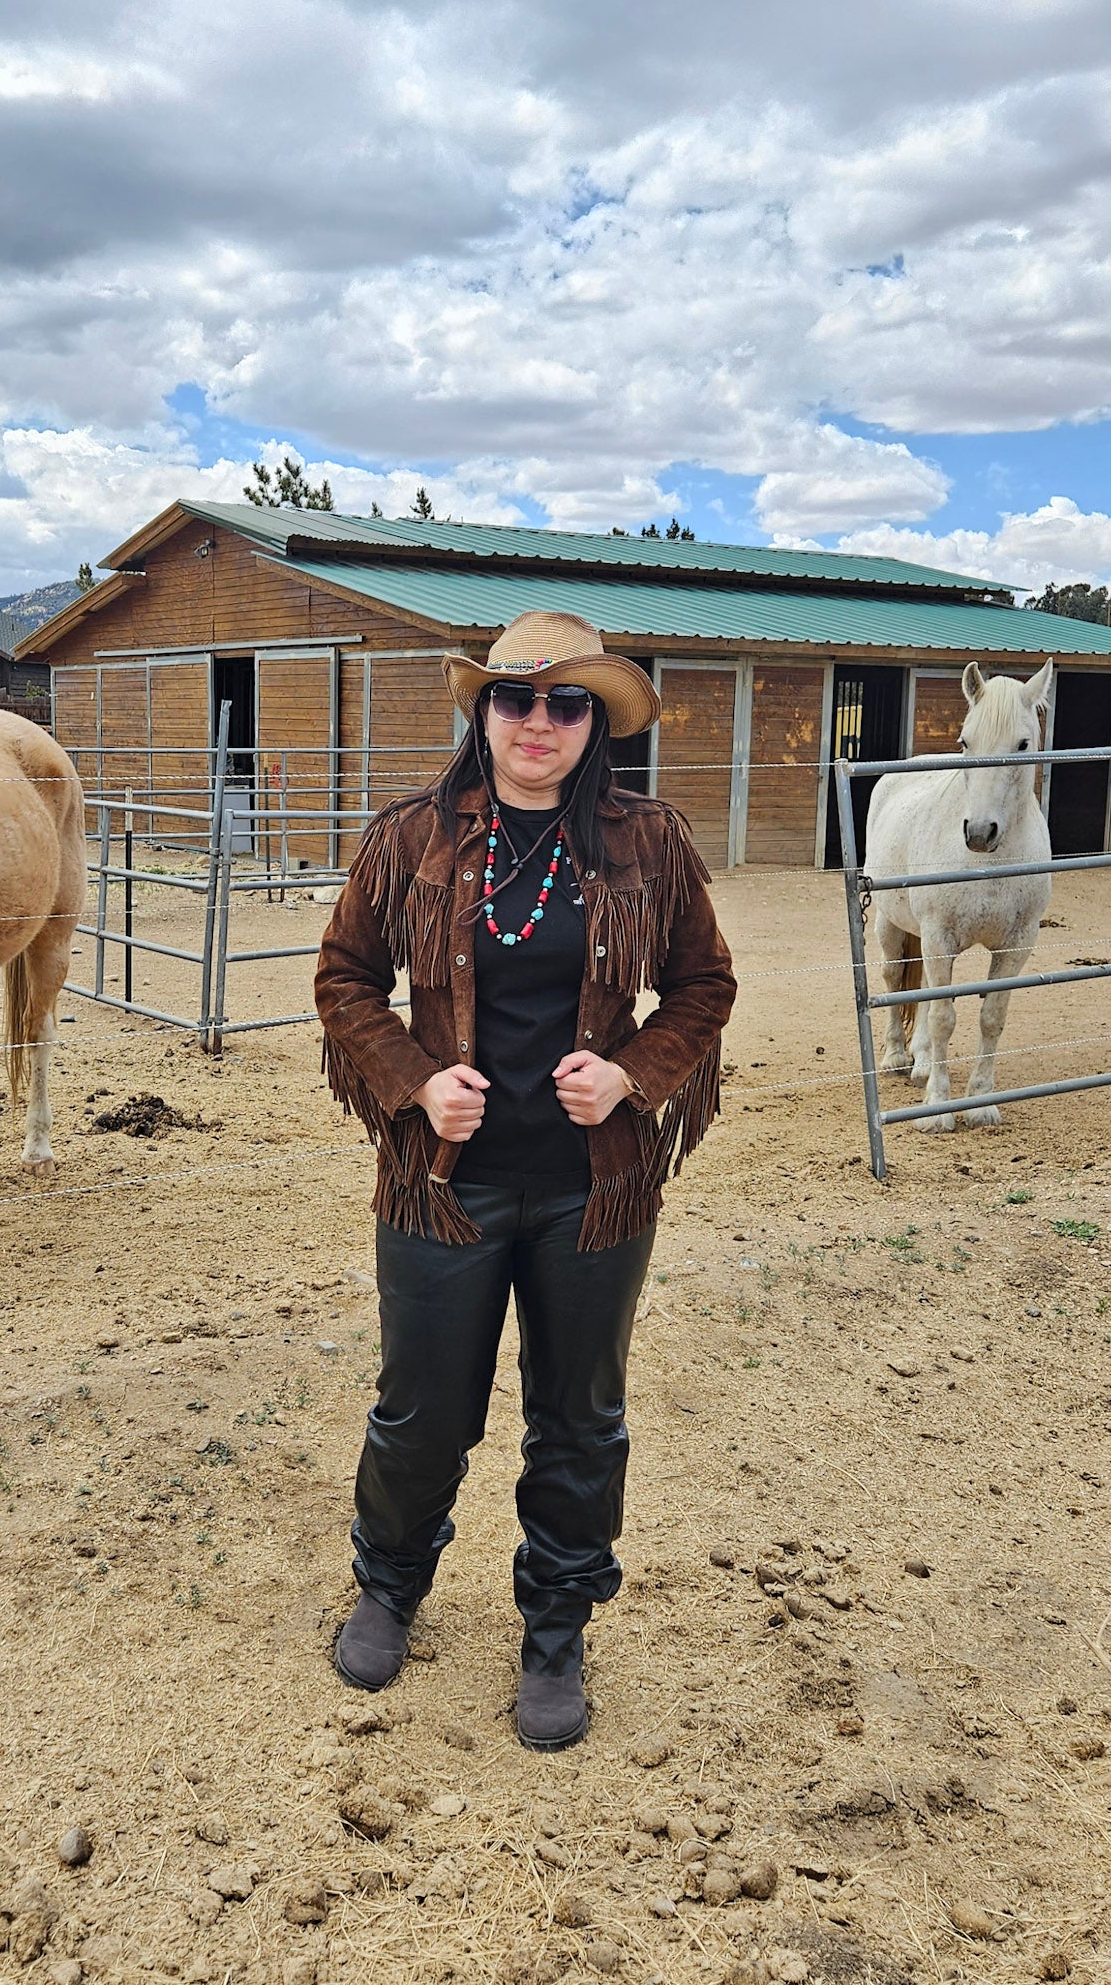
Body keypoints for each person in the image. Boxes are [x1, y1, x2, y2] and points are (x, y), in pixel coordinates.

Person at [314, 609, 737, 1750]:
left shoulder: (649, 841)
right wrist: (412, 1080)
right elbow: (345, 978)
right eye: (514, 698)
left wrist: (633, 1074)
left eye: (564, 703)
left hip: (590, 1188)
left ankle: (555, 1624)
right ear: (482, 710)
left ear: (594, 720)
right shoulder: (411, 836)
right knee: (421, 1409)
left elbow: (703, 984)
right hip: (441, 1185)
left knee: (579, 1417)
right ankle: (389, 1585)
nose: (537, 721)